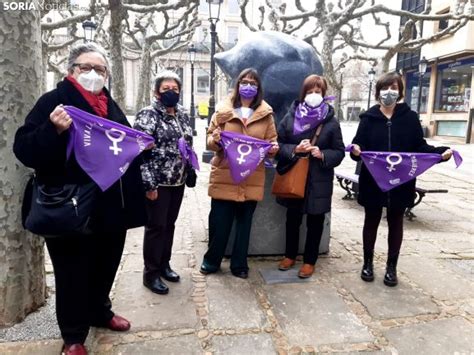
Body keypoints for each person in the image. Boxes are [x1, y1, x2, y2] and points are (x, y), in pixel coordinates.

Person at [13, 42, 146, 355]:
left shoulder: (108, 105)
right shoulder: (54, 102)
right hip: (69, 205)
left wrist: (140, 149)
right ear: (71, 71)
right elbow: (24, 148)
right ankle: (73, 336)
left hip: (109, 207)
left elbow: (121, 149)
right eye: (86, 67)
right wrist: (52, 129)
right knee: (72, 272)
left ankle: (100, 312)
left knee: (106, 265)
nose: (93, 74)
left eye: (99, 69)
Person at [350, 72, 453, 287]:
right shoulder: (368, 118)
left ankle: (391, 267)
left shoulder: (410, 117)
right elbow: (357, 145)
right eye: (386, 87)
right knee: (371, 220)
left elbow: (420, 147)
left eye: (394, 87)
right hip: (373, 180)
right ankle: (367, 263)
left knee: (396, 222)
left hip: (401, 180)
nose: (390, 92)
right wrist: (356, 150)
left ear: (400, 91)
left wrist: (440, 153)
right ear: (378, 92)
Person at [199, 68, 279, 279]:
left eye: (253, 83)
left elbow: (272, 141)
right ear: (237, 84)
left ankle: (239, 264)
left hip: (250, 177)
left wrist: (273, 149)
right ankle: (212, 260)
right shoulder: (223, 110)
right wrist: (215, 139)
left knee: (244, 226)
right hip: (225, 174)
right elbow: (209, 140)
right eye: (244, 81)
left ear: (258, 88)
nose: (248, 86)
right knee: (219, 222)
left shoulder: (266, 114)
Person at [276, 74, 345, 278]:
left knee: (316, 222)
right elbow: (277, 145)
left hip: (318, 180)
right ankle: (290, 256)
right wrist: (295, 149)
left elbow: (340, 151)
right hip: (294, 177)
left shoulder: (331, 122)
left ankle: (309, 260)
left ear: (323, 95)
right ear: (303, 93)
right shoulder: (290, 117)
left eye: (318, 92)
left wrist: (322, 154)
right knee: (292, 219)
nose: (313, 95)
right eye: (310, 91)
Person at [133, 70, 193, 295]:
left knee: (169, 225)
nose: (171, 93)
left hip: (177, 181)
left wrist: (191, 168)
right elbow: (141, 152)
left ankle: (164, 264)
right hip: (158, 182)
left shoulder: (183, 114)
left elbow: (187, 142)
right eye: (166, 89)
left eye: (175, 89)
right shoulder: (148, 115)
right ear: (156, 92)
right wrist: (149, 185)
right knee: (156, 227)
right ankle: (151, 273)